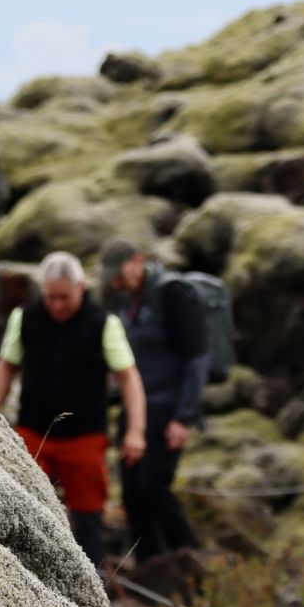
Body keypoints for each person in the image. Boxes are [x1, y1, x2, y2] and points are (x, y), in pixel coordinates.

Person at [0, 250, 146, 570]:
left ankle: (93, 587)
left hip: (85, 438)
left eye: (64, 297)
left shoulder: (105, 324)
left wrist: (136, 431)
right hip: (32, 433)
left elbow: (129, 378)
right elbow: (6, 366)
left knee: (89, 518)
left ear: (81, 288)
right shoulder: (25, 318)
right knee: (24, 509)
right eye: (50, 297)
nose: (57, 305)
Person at [99, 238, 209, 564]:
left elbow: (197, 358)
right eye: (112, 278)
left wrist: (184, 417)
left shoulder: (170, 295)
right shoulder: (125, 304)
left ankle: (194, 560)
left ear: (138, 261)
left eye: (120, 274)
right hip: (134, 412)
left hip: (167, 410)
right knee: (132, 496)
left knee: (155, 490)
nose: (116, 282)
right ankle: (150, 567)